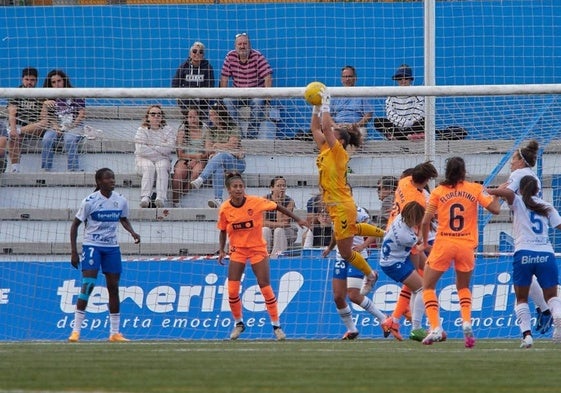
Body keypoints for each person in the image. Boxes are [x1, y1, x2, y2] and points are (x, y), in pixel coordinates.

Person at [310, 86, 385, 296]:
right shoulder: (325, 148)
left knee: (345, 252)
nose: (329, 133)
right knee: (353, 229)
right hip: (335, 205)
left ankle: (370, 274)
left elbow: (325, 127)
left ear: (340, 140)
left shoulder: (339, 152)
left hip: (342, 205)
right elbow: (316, 128)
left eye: (333, 134)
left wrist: (326, 102)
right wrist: (316, 107)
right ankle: (386, 234)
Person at [419, 156, 500, 347]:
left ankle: (436, 327)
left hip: (444, 243)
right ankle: (466, 322)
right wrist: (497, 194)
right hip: (466, 245)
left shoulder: (438, 192)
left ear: (447, 171)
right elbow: (495, 209)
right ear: (464, 172)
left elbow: (425, 221)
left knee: (428, 287)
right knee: (463, 287)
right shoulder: (475, 189)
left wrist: (423, 242)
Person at [216, 172, 308, 340]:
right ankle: (238, 323)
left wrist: (298, 219)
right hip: (237, 250)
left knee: (265, 286)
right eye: (235, 187)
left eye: (241, 186)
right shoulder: (225, 209)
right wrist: (222, 250)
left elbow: (277, 207)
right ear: (229, 190)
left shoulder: (255, 202)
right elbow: (222, 230)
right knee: (232, 290)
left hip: (257, 249)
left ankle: (276, 326)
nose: (238, 189)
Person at [68, 167, 141, 342]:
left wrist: (132, 232)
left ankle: (114, 332)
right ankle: (76, 331)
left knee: (113, 288)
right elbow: (75, 225)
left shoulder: (121, 200)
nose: (112, 181)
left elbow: (123, 218)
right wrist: (74, 252)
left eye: (113, 178)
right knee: (88, 285)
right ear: (99, 182)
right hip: (92, 246)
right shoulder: (89, 201)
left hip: (112, 248)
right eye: (108, 179)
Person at [488, 175, 561, 348]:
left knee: (521, 298)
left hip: (524, 254)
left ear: (520, 189)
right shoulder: (546, 206)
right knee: (551, 296)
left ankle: (527, 336)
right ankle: (557, 314)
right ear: (537, 189)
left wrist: (488, 190)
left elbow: (506, 193)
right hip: (546, 253)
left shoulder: (518, 201)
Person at [499, 139, 552, 334]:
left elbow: (507, 193)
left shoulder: (518, 174)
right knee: (533, 279)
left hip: (525, 234)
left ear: (521, 160)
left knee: (524, 279)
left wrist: (489, 193)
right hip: (537, 236)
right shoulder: (533, 177)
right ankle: (545, 308)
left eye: (513, 159)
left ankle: (545, 311)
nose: (511, 163)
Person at [382, 161, 438, 341]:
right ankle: (422, 325)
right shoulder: (419, 201)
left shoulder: (404, 182)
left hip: (394, 227)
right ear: (427, 179)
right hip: (408, 237)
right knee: (423, 283)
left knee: (418, 279)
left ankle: (395, 319)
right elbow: (424, 223)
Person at [323, 206, 387, 340]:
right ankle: (352, 329)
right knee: (338, 297)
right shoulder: (334, 211)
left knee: (353, 295)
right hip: (340, 257)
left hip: (357, 257)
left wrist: (363, 246)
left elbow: (371, 231)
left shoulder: (358, 212)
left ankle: (384, 319)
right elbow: (337, 233)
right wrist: (330, 248)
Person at [379, 201, 427, 342]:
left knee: (417, 287)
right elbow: (418, 247)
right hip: (393, 264)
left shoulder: (400, 217)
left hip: (397, 256)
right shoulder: (406, 236)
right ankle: (416, 328)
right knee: (422, 289)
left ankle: (395, 320)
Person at [190, 101, 246, 208]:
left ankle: (201, 178)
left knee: (222, 155)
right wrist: (221, 147)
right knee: (218, 167)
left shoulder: (233, 127)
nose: (211, 117)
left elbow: (233, 145)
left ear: (221, 114)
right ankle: (218, 199)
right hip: (220, 162)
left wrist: (217, 145)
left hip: (236, 163)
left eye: (213, 114)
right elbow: (208, 149)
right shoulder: (210, 131)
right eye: (210, 114)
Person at [220, 32, 273, 138]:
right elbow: (224, 78)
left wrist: (267, 99)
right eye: (239, 44)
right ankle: (238, 135)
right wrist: (222, 96)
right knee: (226, 101)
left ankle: (250, 137)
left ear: (250, 45)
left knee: (258, 101)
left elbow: (267, 77)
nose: (242, 46)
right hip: (238, 93)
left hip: (255, 92)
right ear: (235, 46)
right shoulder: (230, 56)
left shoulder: (257, 56)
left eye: (245, 43)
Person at [40, 69, 86, 172]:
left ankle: (73, 170)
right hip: (56, 126)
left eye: (59, 81)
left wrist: (71, 126)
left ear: (64, 80)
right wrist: (44, 105)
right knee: (47, 139)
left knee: (69, 139)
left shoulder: (75, 93)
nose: (57, 84)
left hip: (74, 125)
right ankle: (46, 169)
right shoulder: (48, 97)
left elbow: (82, 114)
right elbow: (44, 118)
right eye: (53, 82)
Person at [134, 105, 176, 208]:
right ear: (148, 116)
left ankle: (160, 198)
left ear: (162, 117)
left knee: (161, 167)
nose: (156, 116)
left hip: (163, 159)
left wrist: (151, 147)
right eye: (153, 114)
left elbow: (169, 147)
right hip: (143, 159)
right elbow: (140, 149)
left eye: (159, 114)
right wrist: (160, 148)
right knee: (149, 167)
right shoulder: (142, 130)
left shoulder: (168, 130)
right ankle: (145, 197)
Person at [7, 67, 45, 173]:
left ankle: (18, 131)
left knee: (43, 123)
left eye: (32, 80)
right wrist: (13, 129)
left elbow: (44, 118)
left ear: (36, 81)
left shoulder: (41, 95)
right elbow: (12, 111)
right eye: (27, 79)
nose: (29, 82)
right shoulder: (16, 93)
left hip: (35, 128)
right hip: (20, 126)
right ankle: (15, 169)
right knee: (13, 136)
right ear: (22, 79)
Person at [373, 64, 425, 140]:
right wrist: (403, 124)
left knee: (423, 121)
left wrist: (407, 124)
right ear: (397, 80)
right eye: (400, 78)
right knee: (377, 121)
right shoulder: (391, 95)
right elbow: (391, 115)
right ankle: (406, 136)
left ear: (410, 79)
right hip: (397, 127)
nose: (403, 81)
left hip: (412, 127)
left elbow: (419, 114)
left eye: (406, 78)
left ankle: (399, 137)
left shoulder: (418, 94)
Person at [171, 107, 209, 207]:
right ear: (187, 118)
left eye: (195, 116)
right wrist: (194, 157)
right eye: (190, 117)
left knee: (196, 173)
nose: (192, 119)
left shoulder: (205, 130)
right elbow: (180, 154)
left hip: (201, 160)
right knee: (179, 173)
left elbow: (207, 153)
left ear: (199, 117)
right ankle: (175, 201)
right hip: (185, 159)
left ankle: (183, 193)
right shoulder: (182, 131)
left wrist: (197, 159)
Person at [171, 41, 215, 120]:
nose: (197, 53)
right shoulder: (183, 67)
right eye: (194, 51)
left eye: (200, 52)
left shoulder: (208, 68)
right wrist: (180, 101)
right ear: (190, 54)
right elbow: (175, 84)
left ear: (203, 55)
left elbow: (210, 86)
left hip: (202, 105)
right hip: (185, 105)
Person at [331, 66, 374, 140]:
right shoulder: (335, 95)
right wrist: (335, 126)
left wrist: (356, 125)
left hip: (356, 127)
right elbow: (328, 116)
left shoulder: (362, 94)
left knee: (362, 133)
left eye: (350, 76)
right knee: (328, 133)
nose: (347, 79)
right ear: (341, 79)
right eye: (345, 77)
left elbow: (368, 114)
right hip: (338, 126)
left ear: (355, 78)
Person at [262, 176, 298, 258]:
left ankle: (276, 257)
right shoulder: (265, 199)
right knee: (265, 230)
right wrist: (276, 224)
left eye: (284, 186)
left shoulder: (290, 202)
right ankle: (263, 257)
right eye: (278, 186)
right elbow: (261, 222)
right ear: (272, 188)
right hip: (269, 229)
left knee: (278, 231)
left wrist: (279, 205)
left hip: (287, 231)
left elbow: (284, 223)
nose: (282, 188)